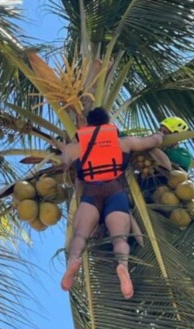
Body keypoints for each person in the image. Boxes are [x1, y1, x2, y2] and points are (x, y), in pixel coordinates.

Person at [60, 107, 164, 299]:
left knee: (81, 234)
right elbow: (150, 142)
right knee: (120, 239)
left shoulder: (75, 147)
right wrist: (160, 134)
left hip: (91, 191)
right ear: (108, 123)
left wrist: (72, 144)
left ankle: (73, 262)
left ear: (88, 124)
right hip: (116, 190)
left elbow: (64, 161)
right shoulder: (122, 142)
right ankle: (122, 266)